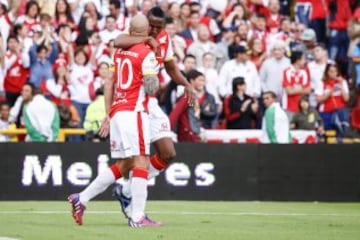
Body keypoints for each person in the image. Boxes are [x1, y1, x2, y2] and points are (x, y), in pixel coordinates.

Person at [68, 14, 161, 228]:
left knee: (124, 164)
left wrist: (109, 115)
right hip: (134, 110)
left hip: (118, 111)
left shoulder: (118, 52)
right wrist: (154, 70)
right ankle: (138, 217)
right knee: (141, 161)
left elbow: (108, 83)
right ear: (146, 31)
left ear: (130, 29)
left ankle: (81, 198)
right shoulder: (146, 53)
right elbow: (151, 88)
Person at [110, 6, 196, 218]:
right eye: (152, 26)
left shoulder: (165, 39)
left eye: (159, 27)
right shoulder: (135, 36)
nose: (155, 31)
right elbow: (118, 41)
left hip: (152, 104)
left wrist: (187, 84)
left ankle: (127, 190)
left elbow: (171, 68)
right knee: (136, 159)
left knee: (168, 153)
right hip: (134, 104)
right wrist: (147, 40)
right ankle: (135, 211)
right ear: (146, 24)